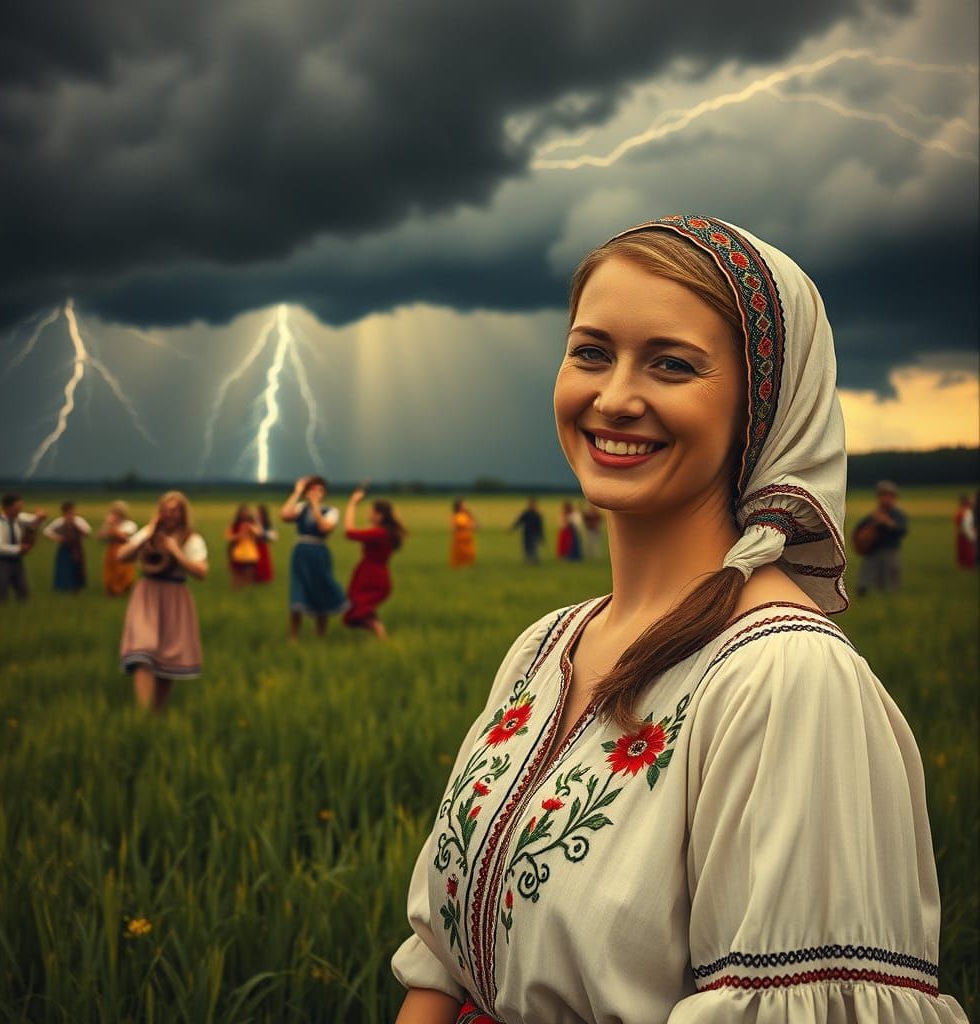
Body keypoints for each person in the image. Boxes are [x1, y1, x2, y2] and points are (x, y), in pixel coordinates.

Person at [392, 215, 966, 1023]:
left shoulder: (786, 680)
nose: (615, 397)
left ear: (761, 409)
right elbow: (440, 971)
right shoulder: (542, 648)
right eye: (592, 351)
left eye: (671, 364)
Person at [116, 491, 208, 712]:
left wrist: (176, 552)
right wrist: (148, 534)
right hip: (147, 594)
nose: (170, 515)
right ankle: (142, 713)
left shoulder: (191, 538)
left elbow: (202, 572)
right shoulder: (149, 533)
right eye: (166, 510)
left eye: (176, 510)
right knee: (143, 651)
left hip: (175, 595)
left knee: (169, 656)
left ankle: (155, 712)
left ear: (183, 513)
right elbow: (122, 556)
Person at [281, 476, 348, 639]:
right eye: (312, 490)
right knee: (298, 593)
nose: (315, 493)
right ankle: (293, 636)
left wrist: (316, 506)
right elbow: (284, 515)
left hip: (319, 552)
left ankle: (321, 635)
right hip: (301, 552)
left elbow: (325, 527)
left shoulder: (331, 511)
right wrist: (296, 492)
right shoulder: (301, 508)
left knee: (321, 591)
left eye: (319, 490)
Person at [342, 489, 406, 638]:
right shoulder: (383, 532)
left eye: (371, 512)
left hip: (372, 578)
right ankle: (381, 638)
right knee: (361, 611)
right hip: (372, 575)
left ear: (379, 515)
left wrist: (352, 504)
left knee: (359, 609)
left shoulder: (380, 533)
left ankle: (382, 636)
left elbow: (349, 532)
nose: (368, 515)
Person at [853, 480, 909, 595]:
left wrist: (888, 523)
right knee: (866, 577)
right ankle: (864, 594)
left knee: (890, 581)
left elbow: (902, 530)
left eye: (889, 495)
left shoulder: (897, 514)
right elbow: (858, 529)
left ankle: (888, 599)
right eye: (883, 495)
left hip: (890, 550)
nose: (886, 498)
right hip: (873, 550)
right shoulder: (874, 514)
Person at [0, 494, 46, 603]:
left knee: (23, 593)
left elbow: (34, 521)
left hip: (17, 561)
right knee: (2, 595)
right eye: (17, 508)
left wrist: (40, 517)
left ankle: (22, 616)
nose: (20, 510)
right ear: (8, 507)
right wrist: (18, 549)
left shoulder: (18, 518)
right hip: (1, 562)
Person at [43, 500, 91, 592]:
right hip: (65, 548)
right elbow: (47, 531)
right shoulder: (60, 521)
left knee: (77, 568)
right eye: (68, 512)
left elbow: (87, 532)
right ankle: (63, 587)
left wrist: (75, 525)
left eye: (72, 511)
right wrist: (58, 538)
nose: (70, 513)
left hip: (77, 548)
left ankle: (77, 587)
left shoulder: (78, 520)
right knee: (64, 568)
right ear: (63, 512)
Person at [98, 500, 138, 596]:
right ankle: (111, 590)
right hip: (111, 551)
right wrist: (107, 527)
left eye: (117, 513)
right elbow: (100, 537)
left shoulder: (129, 524)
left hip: (124, 550)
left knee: (124, 571)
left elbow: (123, 537)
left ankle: (124, 589)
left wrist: (112, 526)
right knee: (110, 570)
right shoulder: (109, 525)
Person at [225, 504, 261, 589]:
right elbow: (229, 538)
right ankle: (237, 593)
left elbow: (259, 534)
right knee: (237, 577)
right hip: (238, 554)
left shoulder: (252, 525)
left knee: (249, 576)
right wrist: (240, 534)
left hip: (250, 554)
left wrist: (251, 528)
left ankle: (246, 593)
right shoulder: (234, 526)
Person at [509, 499, 544, 564]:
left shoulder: (538, 515)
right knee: (526, 546)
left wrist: (541, 537)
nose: (533, 506)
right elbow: (519, 521)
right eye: (531, 505)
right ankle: (529, 559)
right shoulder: (525, 513)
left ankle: (534, 559)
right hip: (526, 532)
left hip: (534, 533)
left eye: (534, 505)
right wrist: (512, 528)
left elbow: (540, 527)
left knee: (533, 546)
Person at [450, 499, 477, 568]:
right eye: (463, 505)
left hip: (468, 539)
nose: (465, 506)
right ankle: (458, 568)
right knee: (460, 555)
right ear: (459, 506)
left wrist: (471, 519)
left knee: (470, 554)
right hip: (460, 540)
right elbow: (456, 527)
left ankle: (467, 567)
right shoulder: (456, 516)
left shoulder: (467, 515)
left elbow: (474, 525)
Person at [254, 504, 277, 583]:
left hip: (263, 545)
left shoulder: (268, 523)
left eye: (259, 513)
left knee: (263, 563)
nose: (257, 514)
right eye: (257, 512)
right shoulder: (253, 522)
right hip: (254, 546)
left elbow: (274, 537)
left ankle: (264, 579)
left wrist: (262, 533)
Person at [954, 493, 976, 569]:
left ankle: (963, 564)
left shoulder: (960, 511)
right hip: (966, 534)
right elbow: (967, 526)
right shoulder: (967, 512)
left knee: (962, 552)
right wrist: (972, 536)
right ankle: (968, 565)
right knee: (968, 551)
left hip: (961, 534)